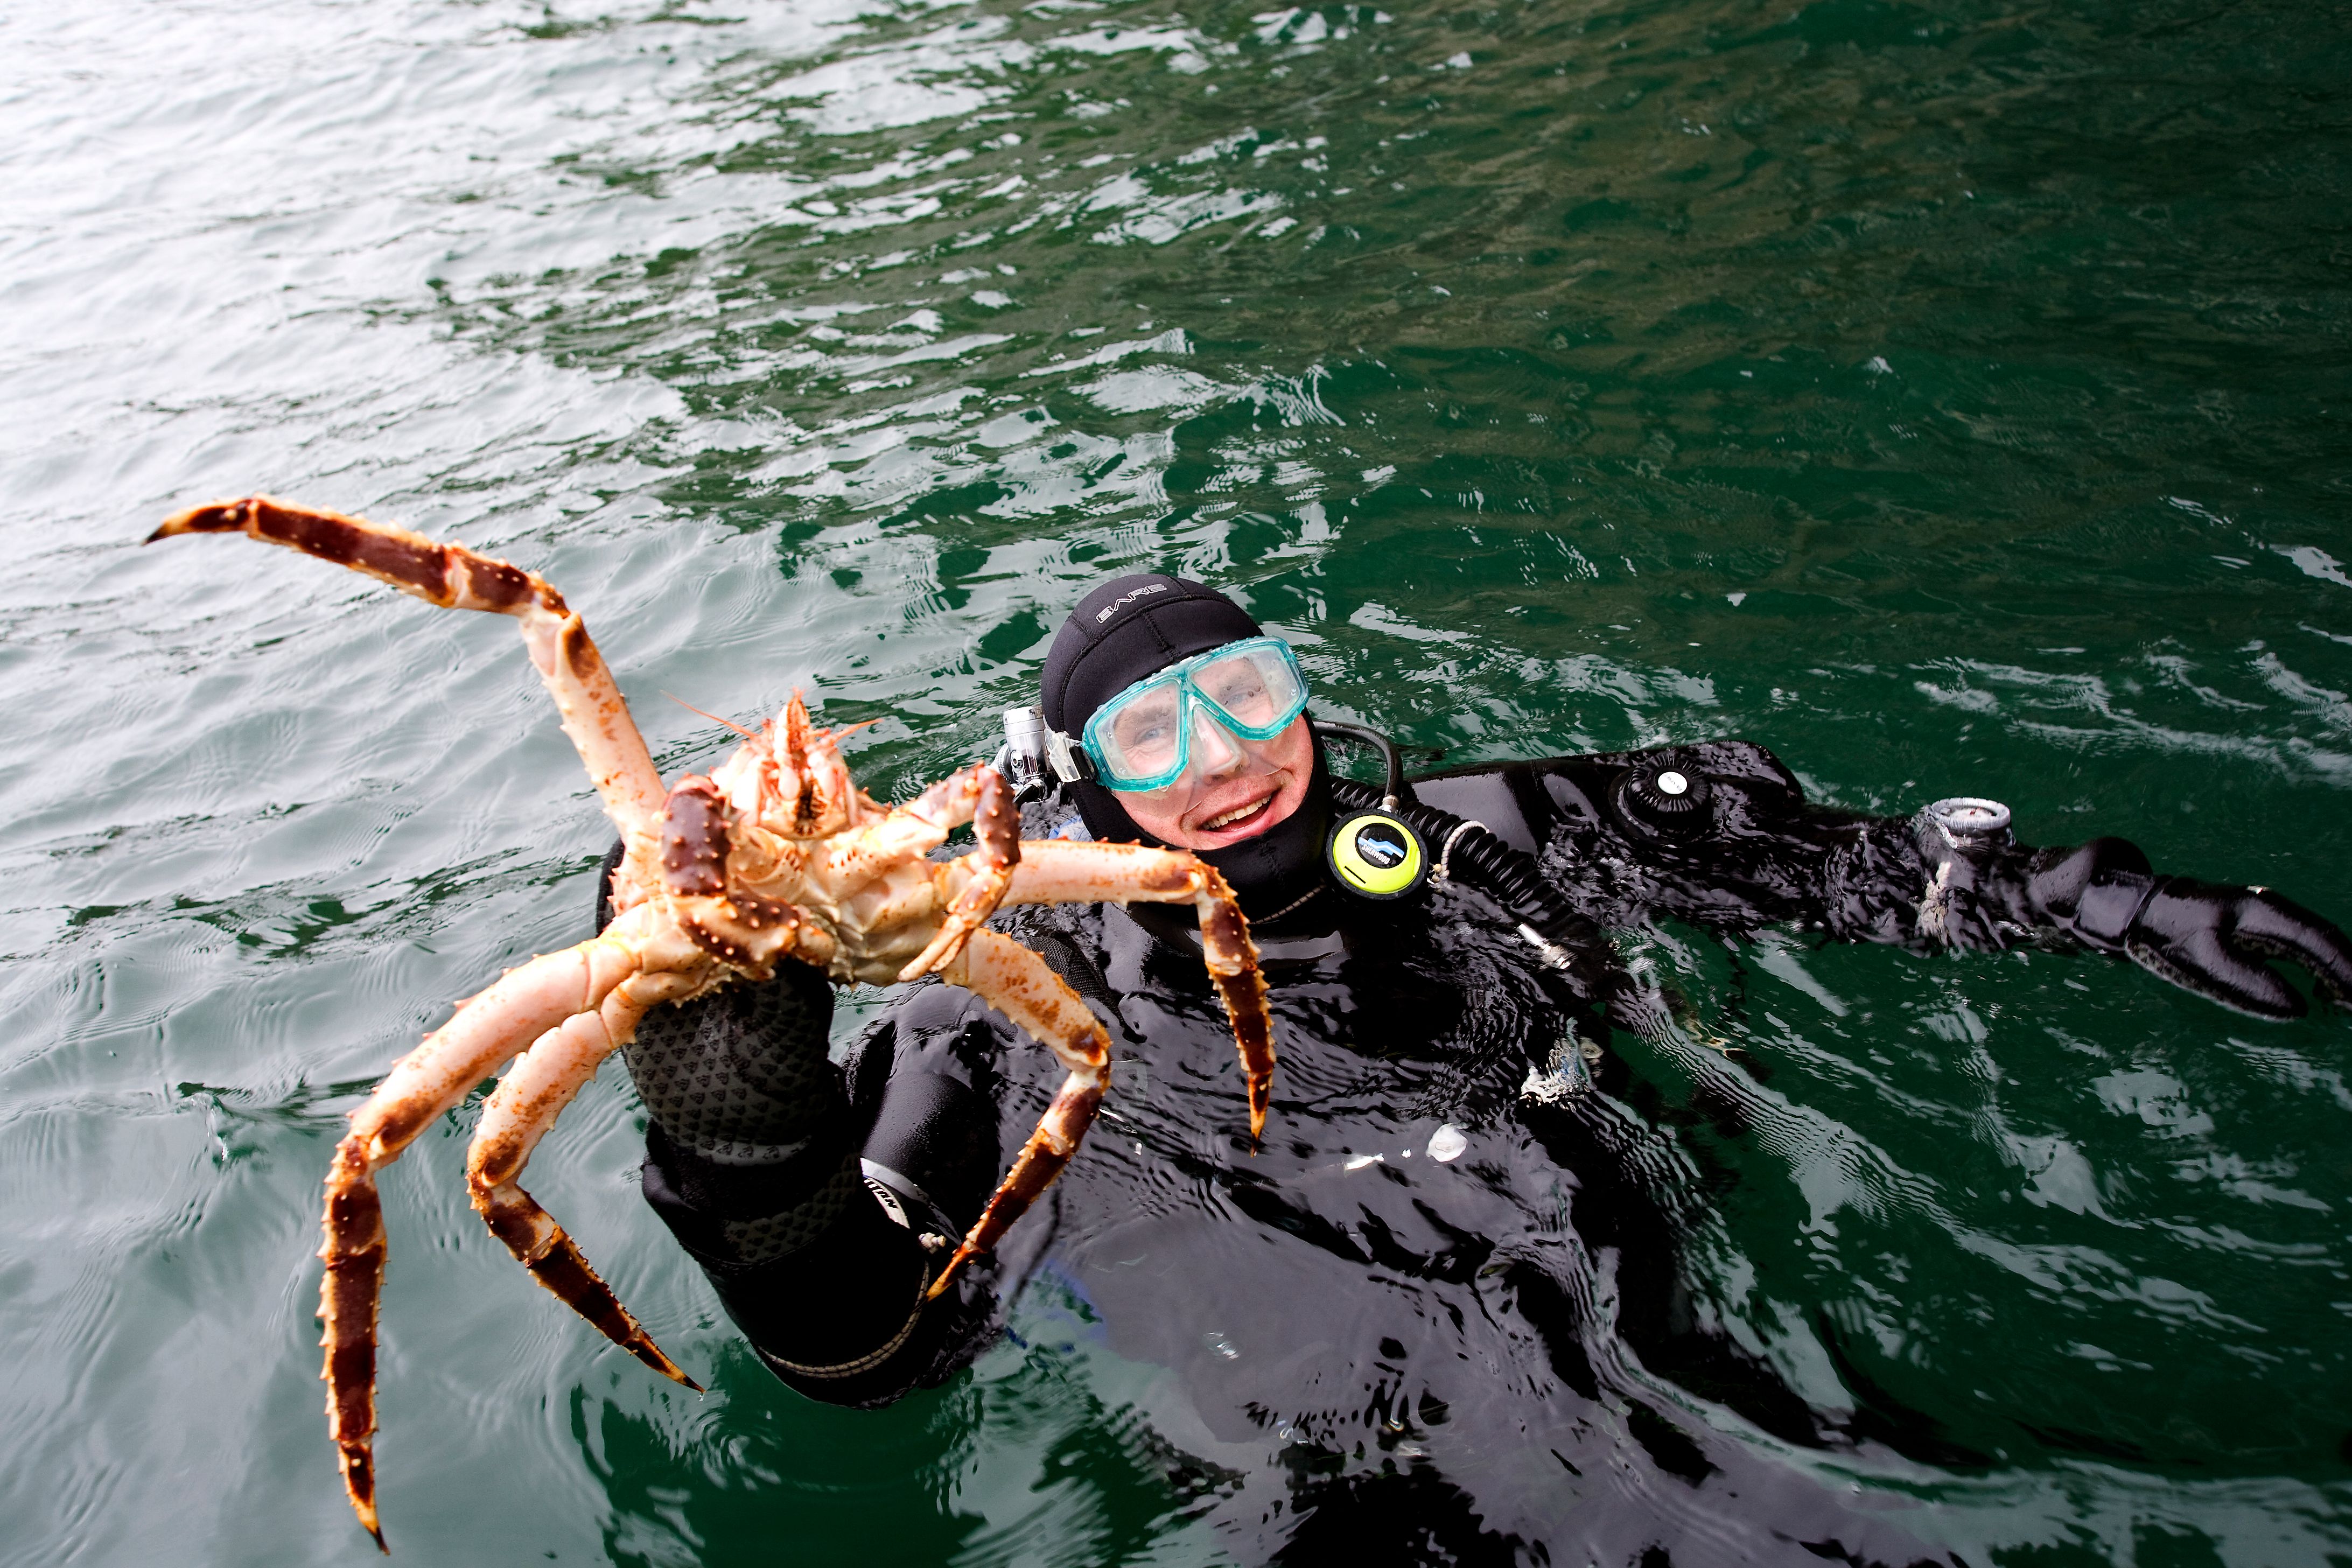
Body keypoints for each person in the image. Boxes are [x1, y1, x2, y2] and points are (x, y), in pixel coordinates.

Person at [599, 575, 2352, 1564]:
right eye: (1154, 735)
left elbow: (1819, 868)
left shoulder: (1473, 837)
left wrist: (2101, 902)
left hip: (1669, 1342)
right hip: (1323, 1465)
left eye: (1250, 697)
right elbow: (860, 1349)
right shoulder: (1000, 1002)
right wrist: (739, 1119)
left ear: (1306, 697)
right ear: (1079, 783)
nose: (1225, 765)